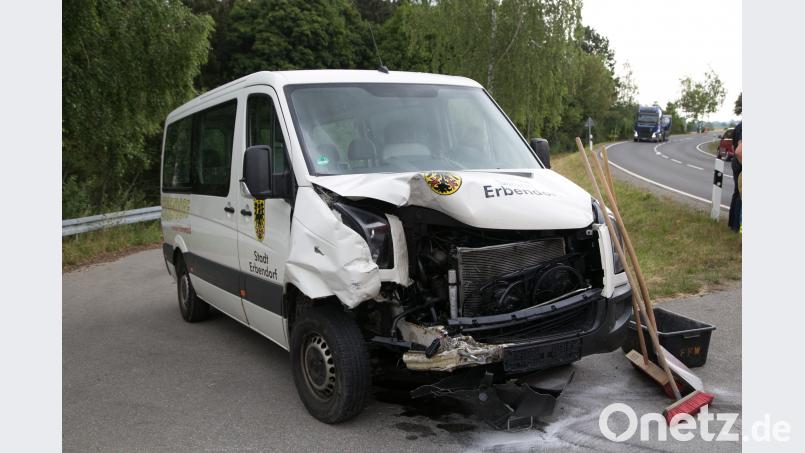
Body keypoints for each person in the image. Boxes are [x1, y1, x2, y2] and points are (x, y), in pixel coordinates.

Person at [727, 122, 742, 232]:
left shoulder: (738, 126)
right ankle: (737, 226)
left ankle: (733, 224)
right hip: (740, 163)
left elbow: (733, 147)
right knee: (740, 196)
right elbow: (739, 151)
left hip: (736, 162)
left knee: (737, 193)